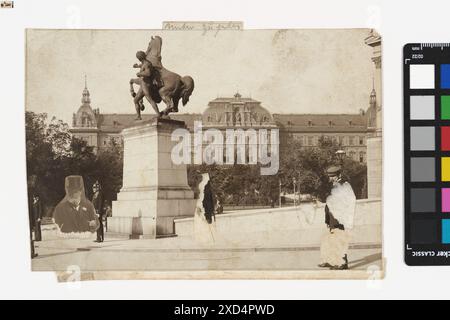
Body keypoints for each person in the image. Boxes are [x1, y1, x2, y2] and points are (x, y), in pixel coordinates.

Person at [317, 166, 356, 270]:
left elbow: (350, 201)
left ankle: (342, 263)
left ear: (339, 175)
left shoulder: (345, 185)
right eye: (330, 176)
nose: (331, 178)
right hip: (332, 217)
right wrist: (327, 218)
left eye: (333, 176)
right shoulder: (333, 186)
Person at [194, 173, 217, 244]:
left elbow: (203, 198)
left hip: (204, 207)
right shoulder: (206, 187)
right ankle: (208, 239)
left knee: (205, 224)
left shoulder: (202, 186)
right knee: (207, 224)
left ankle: (207, 239)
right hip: (205, 207)